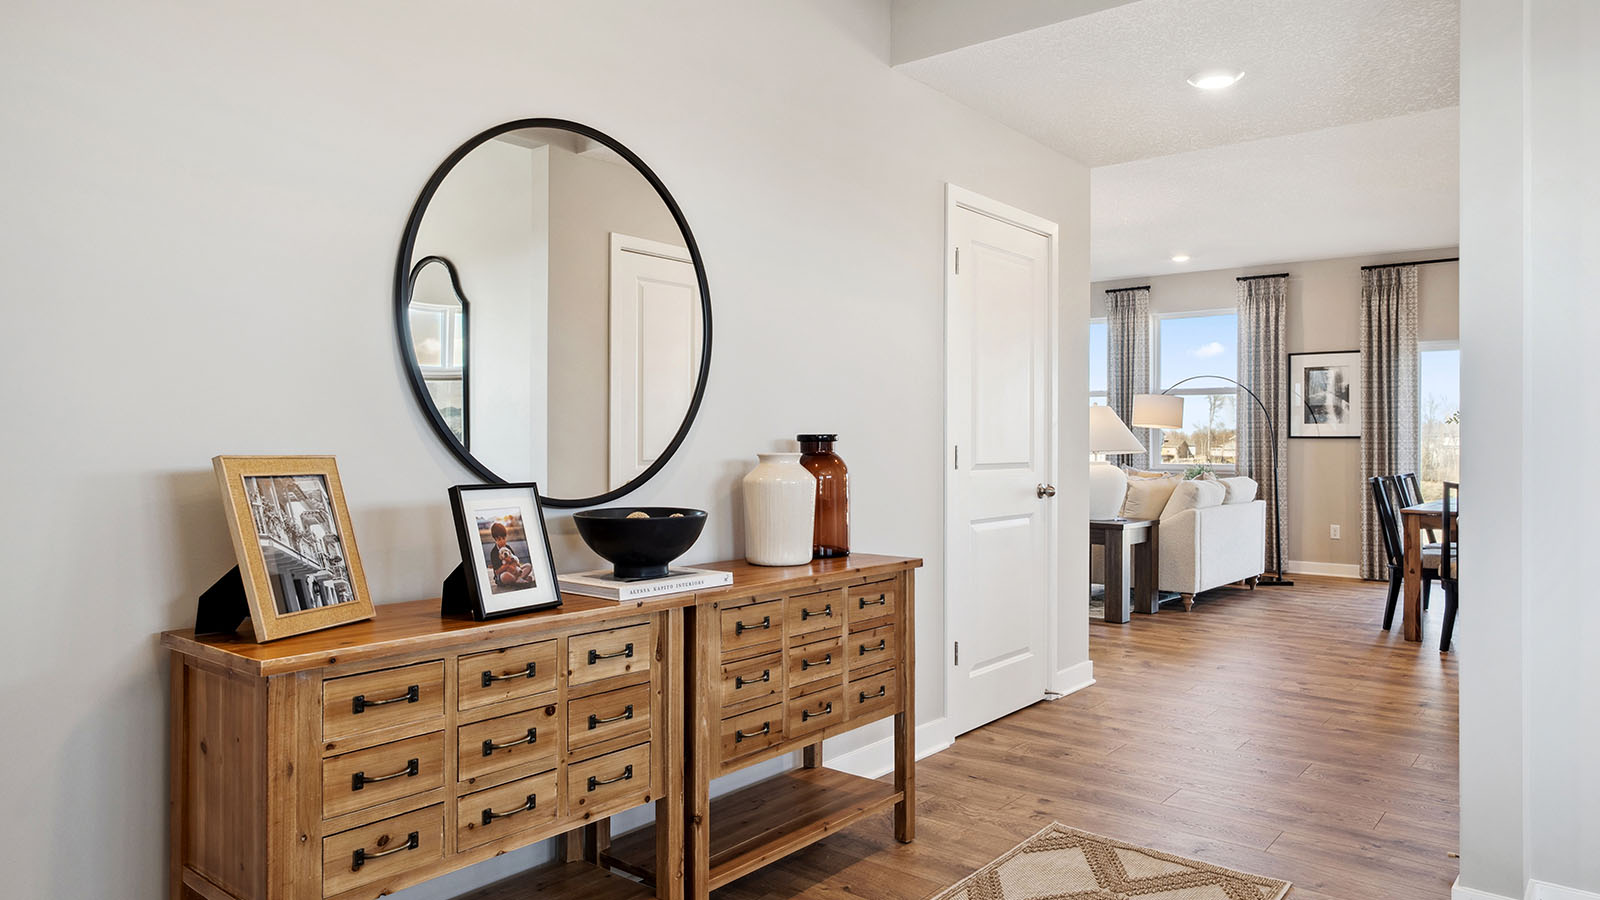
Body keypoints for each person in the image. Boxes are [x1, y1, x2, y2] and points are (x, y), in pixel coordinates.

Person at [485, 520, 534, 587]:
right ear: (495, 539)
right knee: (505, 576)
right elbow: (497, 572)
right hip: (502, 575)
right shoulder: (494, 552)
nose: (502, 541)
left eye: (504, 538)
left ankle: (518, 580)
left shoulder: (508, 547)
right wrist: (507, 565)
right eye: (499, 539)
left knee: (528, 566)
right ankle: (520, 580)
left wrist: (514, 564)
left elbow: (517, 562)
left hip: (514, 571)